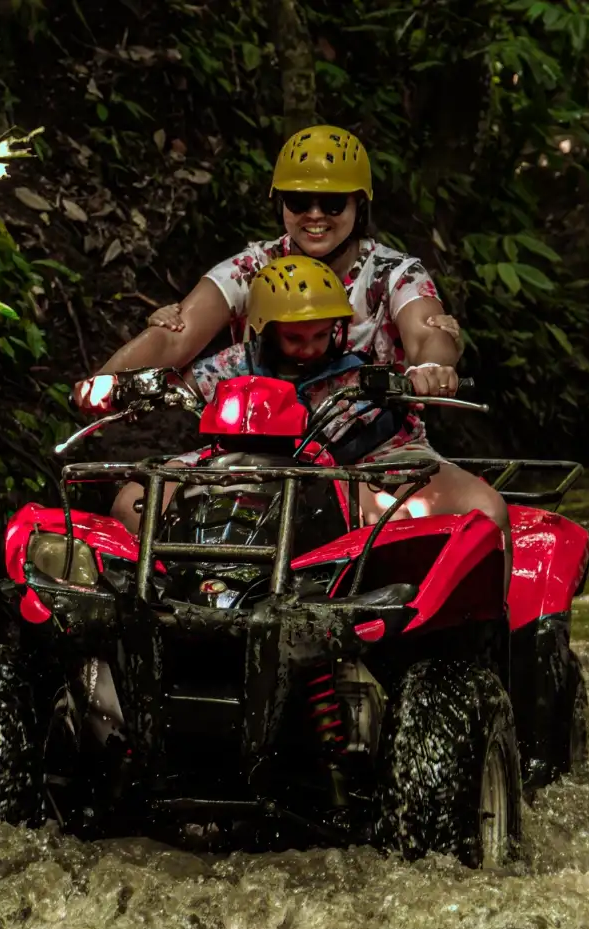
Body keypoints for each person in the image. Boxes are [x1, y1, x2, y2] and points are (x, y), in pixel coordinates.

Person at [76, 124, 509, 547]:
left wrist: (432, 367)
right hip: (256, 450)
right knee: (136, 504)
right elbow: (176, 335)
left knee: (485, 511)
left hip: (375, 452)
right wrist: (107, 383)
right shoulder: (253, 267)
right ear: (280, 204)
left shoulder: (393, 272)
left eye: (333, 203)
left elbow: (427, 331)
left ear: (359, 206)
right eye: (299, 201)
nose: (315, 215)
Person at [98, 254, 514, 587]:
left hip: (340, 467)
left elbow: (427, 341)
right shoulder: (234, 363)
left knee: (417, 515)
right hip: (244, 462)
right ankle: (170, 594)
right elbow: (178, 381)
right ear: (266, 330)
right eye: (295, 337)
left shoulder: (358, 371)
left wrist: (427, 372)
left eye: (321, 335)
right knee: (133, 502)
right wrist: (120, 386)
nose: (310, 348)